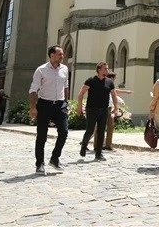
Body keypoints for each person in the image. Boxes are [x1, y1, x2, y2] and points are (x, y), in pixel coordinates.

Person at [29, 45, 70, 175]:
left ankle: (55, 158)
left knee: (64, 132)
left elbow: (65, 87)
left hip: (60, 105)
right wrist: (33, 108)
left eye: (62, 54)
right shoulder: (41, 70)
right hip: (44, 105)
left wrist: (66, 103)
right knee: (42, 136)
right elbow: (33, 90)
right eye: (60, 54)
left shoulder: (65, 69)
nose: (62, 56)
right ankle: (39, 164)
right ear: (51, 55)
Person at [77, 62, 118, 161]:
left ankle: (98, 154)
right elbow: (81, 93)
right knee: (90, 130)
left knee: (101, 131)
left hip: (104, 110)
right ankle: (84, 146)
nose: (107, 70)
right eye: (105, 68)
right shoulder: (91, 81)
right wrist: (79, 106)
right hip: (91, 109)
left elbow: (114, 95)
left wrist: (116, 107)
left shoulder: (109, 82)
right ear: (99, 69)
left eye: (107, 69)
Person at [92, 72, 132, 151]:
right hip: (101, 107)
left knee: (110, 126)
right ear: (111, 78)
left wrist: (126, 92)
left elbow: (114, 92)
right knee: (99, 127)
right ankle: (97, 146)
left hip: (109, 108)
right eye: (114, 78)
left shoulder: (110, 84)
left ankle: (108, 145)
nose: (114, 80)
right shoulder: (103, 83)